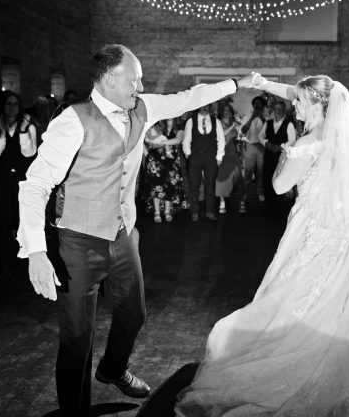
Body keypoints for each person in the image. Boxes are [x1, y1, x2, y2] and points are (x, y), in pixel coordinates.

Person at [175, 74, 349, 416]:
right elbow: (297, 93)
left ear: (316, 103)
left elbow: (278, 186)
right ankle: (344, 364)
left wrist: (287, 154)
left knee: (298, 291)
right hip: (345, 228)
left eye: (299, 101)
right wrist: (265, 83)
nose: (293, 104)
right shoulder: (348, 133)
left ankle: (303, 360)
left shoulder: (307, 143)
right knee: (344, 295)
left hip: (312, 226)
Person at [18, 44, 259, 416]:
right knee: (77, 340)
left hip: (122, 233)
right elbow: (35, 185)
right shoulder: (72, 120)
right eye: (135, 79)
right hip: (78, 241)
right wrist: (35, 250)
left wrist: (235, 84)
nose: (140, 85)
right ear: (111, 79)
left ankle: (113, 368)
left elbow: (186, 98)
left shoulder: (141, 108)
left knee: (134, 314)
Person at [0, 91, 37, 278]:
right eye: (8, 104)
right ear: (3, 106)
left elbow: (29, 153)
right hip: (0, 183)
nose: (12, 107)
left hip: (22, 182)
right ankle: (5, 262)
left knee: (22, 222)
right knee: (2, 223)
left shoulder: (29, 126)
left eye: (15, 104)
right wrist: (2, 134)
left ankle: (25, 263)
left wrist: (22, 131)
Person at [183, 104, 225, 222]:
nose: (205, 107)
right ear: (199, 106)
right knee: (194, 186)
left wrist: (219, 156)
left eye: (207, 105)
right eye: (203, 105)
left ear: (210, 107)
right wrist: (188, 154)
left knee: (210, 186)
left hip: (211, 157)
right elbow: (186, 139)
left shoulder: (216, 121)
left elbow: (221, 140)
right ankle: (194, 212)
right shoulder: (191, 121)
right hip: (195, 157)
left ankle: (210, 211)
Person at [142, 117, 187, 222]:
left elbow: (177, 140)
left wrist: (162, 143)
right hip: (155, 162)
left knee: (170, 186)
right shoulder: (158, 127)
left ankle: (167, 211)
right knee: (156, 187)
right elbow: (143, 139)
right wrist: (147, 153)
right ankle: (157, 212)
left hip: (171, 162)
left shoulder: (179, 129)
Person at [259, 100, 297, 208]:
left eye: (280, 109)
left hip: (281, 156)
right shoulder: (268, 123)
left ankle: (279, 207)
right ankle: (268, 206)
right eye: (276, 109)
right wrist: (266, 143)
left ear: (284, 110)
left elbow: (292, 140)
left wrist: (280, 147)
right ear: (274, 110)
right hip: (268, 156)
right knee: (267, 179)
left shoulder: (288, 124)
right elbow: (260, 136)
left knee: (278, 178)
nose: (278, 111)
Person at [215, 103, 245, 214]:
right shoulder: (218, 123)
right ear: (221, 112)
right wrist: (233, 126)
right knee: (221, 177)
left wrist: (239, 131)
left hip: (233, 152)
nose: (226, 112)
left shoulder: (234, 123)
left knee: (238, 178)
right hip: (223, 153)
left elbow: (239, 135)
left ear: (231, 112)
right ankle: (222, 202)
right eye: (224, 110)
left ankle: (242, 202)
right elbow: (221, 135)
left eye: (228, 110)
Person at [240, 96, 266, 207]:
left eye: (260, 103)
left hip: (261, 146)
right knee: (248, 172)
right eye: (256, 104)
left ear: (263, 105)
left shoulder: (266, 117)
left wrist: (261, 117)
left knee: (261, 172)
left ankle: (260, 192)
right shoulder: (247, 117)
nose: (258, 105)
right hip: (250, 146)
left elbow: (269, 130)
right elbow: (243, 130)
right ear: (253, 105)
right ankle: (244, 194)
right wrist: (252, 118)